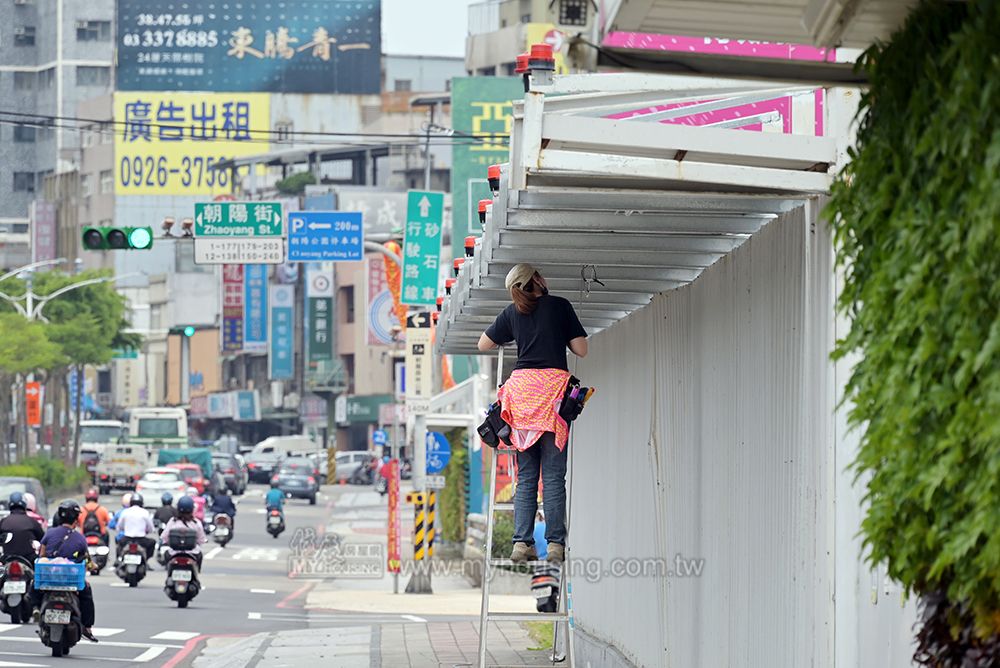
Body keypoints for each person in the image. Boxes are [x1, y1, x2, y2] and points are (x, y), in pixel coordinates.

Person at [478, 263, 588, 565]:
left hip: (522, 398)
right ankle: (555, 545)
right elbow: (581, 350)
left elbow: (483, 343)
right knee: (553, 478)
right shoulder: (560, 306)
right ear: (537, 280)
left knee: (526, 477)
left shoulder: (512, 312)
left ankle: (521, 544)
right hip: (552, 397)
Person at [37, 500, 98, 643]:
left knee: (35, 585)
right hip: (71, 580)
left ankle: (35, 607)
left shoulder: (50, 533)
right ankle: (87, 628)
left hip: (49, 579)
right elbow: (87, 561)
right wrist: (93, 566)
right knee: (87, 593)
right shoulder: (81, 538)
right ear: (76, 518)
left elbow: (42, 556)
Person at [160, 496, 207, 569]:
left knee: (166, 554)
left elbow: (164, 537)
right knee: (200, 555)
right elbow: (201, 540)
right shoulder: (196, 523)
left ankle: (169, 572)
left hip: (174, 553)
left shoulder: (173, 521)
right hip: (193, 553)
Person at [0, 492, 45, 563]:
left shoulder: (3, 521)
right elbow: (43, 540)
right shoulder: (32, 521)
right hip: (28, 559)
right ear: (24, 504)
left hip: (7, 559)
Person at [115, 493, 155, 562]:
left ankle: (119, 561)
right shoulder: (145, 512)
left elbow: (119, 527)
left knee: (119, 544)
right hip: (141, 539)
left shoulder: (125, 512)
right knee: (152, 542)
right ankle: (145, 560)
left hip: (127, 538)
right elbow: (151, 528)